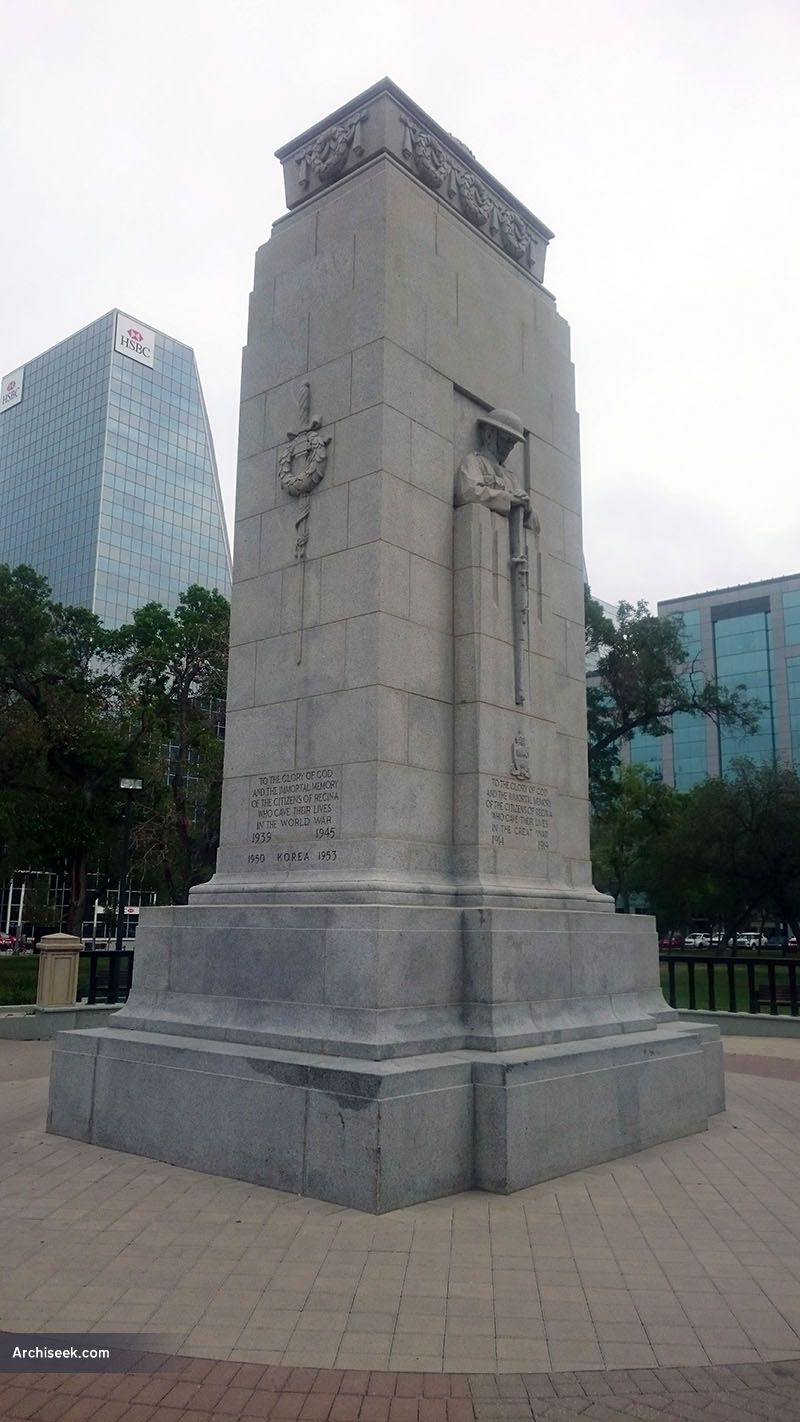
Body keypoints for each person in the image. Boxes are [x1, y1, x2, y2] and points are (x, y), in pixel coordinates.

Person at [455, 408, 537, 529]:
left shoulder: (511, 477)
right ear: (489, 435)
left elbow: (535, 527)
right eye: (507, 440)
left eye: (513, 444)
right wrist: (508, 498)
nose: (510, 447)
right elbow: (468, 492)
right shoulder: (473, 461)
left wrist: (528, 509)